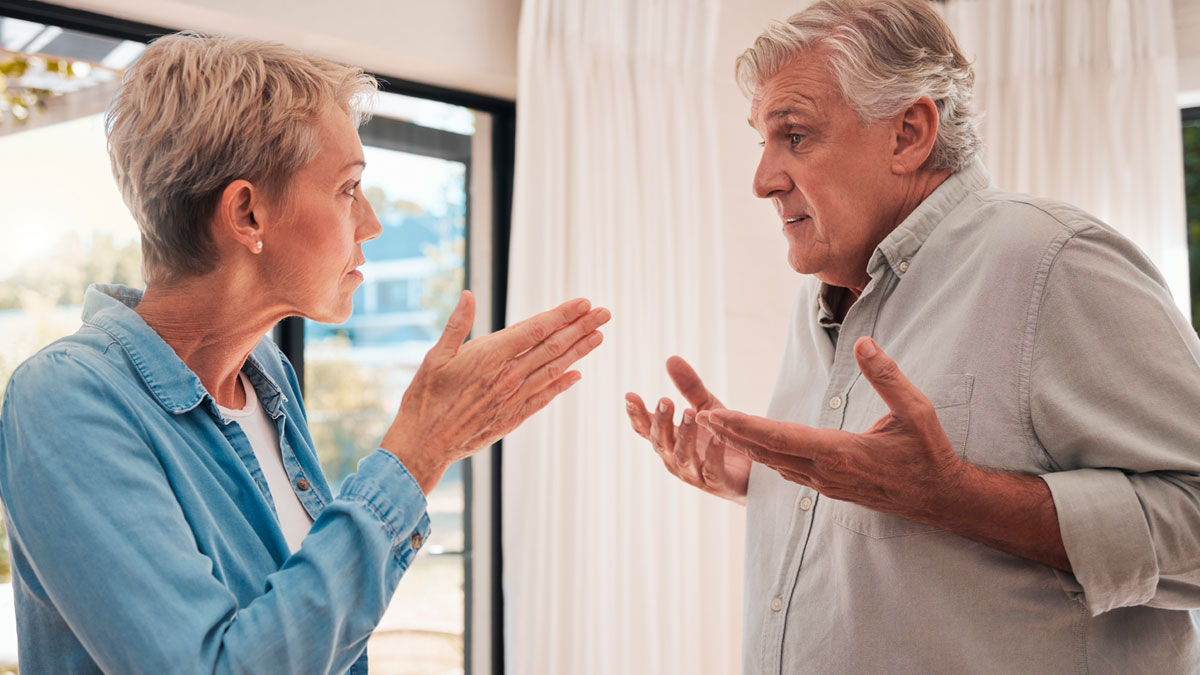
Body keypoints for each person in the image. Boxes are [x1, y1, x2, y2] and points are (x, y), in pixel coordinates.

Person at [0, 33, 610, 673]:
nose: (370, 223)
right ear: (248, 215)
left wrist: (429, 450)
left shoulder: (268, 377)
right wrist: (417, 454)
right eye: (349, 188)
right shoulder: (65, 400)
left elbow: (312, 633)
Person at [625, 1, 1200, 672]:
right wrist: (768, 480)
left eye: (796, 135)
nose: (763, 180)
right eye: (763, 141)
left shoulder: (1053, 263)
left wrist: (957, 495)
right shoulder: (818, 304)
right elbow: (879, 512)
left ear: (908, 134)